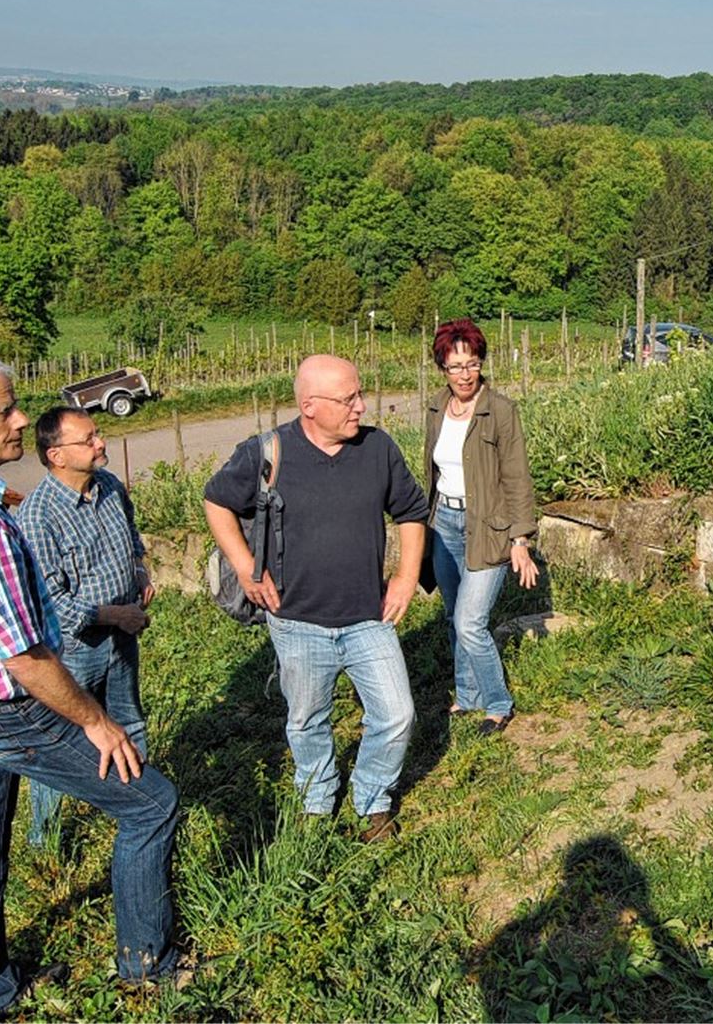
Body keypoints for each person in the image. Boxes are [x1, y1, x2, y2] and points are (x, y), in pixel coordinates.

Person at [0, 350, 182, 1020]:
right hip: (1, 707)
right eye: (3, 410)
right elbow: (28, 659)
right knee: (150, 803)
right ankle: (148, 968)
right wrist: (95, 720)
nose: (18, 421)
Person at [203, 354, 428, 842]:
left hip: (369, 616)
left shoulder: (378, 449)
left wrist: (407, 577)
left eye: (360, 394)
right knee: (306, 720)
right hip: (295, 619)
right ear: (309, 405)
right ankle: (317, 796)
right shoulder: (268, 453)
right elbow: (217, 500)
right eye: (348, 399)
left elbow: (411, 511)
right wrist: (246, 567)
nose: (361, 407)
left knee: (397, 714)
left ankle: (372, 799)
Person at [18, 406, 154, 848]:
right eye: (88, 439)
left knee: (128, 720)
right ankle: (46, 838)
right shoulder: (39, 515)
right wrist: (115, 614)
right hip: (77, 647)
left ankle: (138, 807)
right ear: (56, 454)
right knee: (64, 739)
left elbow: (131, 538)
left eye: (98, 434)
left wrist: (140, 574)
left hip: (122, 633)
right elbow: (50, 599)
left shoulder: (109, 486)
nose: (101, 443)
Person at [424, 319, 539, 735]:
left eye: (472, 364)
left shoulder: (501, 410)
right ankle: (467, 694)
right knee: (454, 614)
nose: (465, 375)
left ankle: (497, 702)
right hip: (444, 525)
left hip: (487, 526)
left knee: (470, 622)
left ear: (481, 364)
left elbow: (517, 477)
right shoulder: (437, 408)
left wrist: (520, 538)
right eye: (455, 367)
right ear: (442, 369)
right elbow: (431, 471)